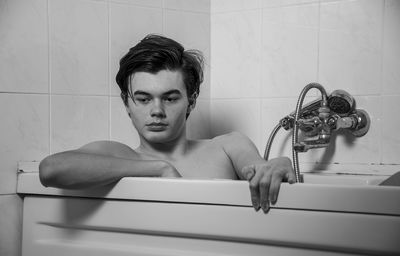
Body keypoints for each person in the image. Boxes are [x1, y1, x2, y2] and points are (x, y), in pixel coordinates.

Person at [39, 34, 295, 213]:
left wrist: (277, 165)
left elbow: (259, 171)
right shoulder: (122, 156)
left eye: (170, 98)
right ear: (127, 104)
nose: (157, 111)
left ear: (191, 101)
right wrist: (159, 169)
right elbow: (51, 169)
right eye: (143, 99)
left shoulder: (227, 147)